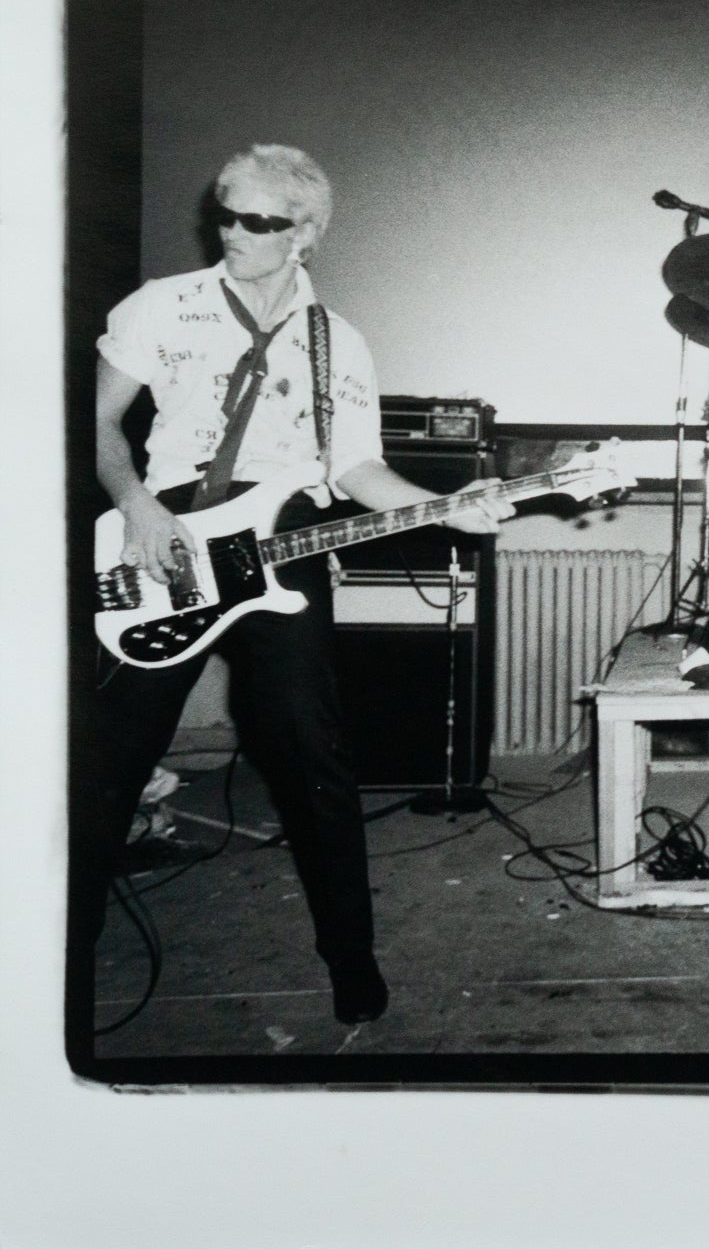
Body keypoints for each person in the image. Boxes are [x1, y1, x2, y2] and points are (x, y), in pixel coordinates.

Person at [82, 144, 515, 1028]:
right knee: (109, 761)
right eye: (226, 214)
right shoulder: (163, 305)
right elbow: (99, 421)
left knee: (316, 755)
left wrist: (445, 509)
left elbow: (356, 468)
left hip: (282, 543)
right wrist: (134, 504)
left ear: (305, 235)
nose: (233, 232)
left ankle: (350, 959)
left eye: (259, 222)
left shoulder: (336, 340)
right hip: (162, 534)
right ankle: (62, 963)